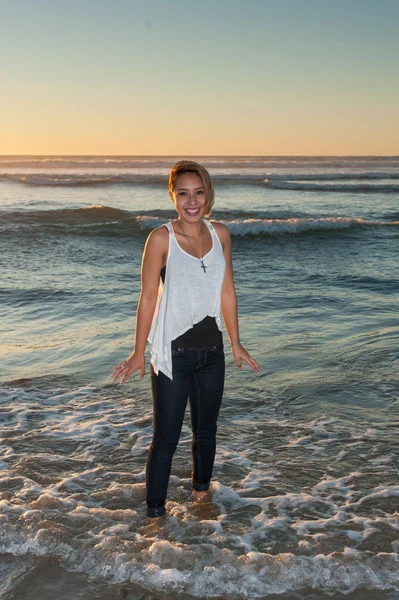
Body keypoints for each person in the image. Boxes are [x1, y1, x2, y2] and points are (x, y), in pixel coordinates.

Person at [111, 160, 260, 518]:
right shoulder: (161, 238)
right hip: (173, 354)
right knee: (166, 439)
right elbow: (148, 297)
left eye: (198, 192)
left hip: (212, 352)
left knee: (206, 432)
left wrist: (236, 342)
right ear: (172, 196)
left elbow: (227, 290)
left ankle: (200, 498)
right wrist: (137, 351)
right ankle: (155, 514)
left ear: (207, 193)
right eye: (183, 194)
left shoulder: (220, 233)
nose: (191, 201)